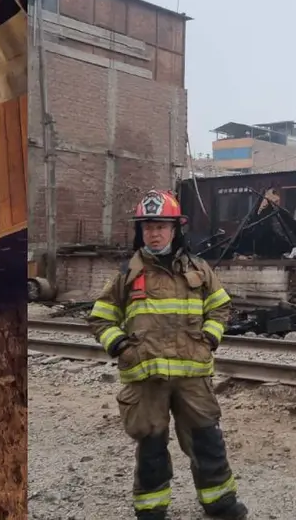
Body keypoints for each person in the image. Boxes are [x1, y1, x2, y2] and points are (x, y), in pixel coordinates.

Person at [87, 189, 248, 520]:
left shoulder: (200, 269)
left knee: (207, 441)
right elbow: (100, 316)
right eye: (148, 227)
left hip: (193, 377)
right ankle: (151, 509)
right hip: (146, 380)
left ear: (175, 229)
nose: (154, 233)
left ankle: (220, 503)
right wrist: (120, 346)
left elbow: (220, 307)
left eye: (161, 226)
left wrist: (209, 340)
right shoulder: (126, 274)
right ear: (140, 231)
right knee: (151, 447)